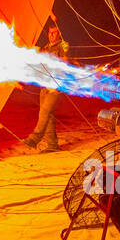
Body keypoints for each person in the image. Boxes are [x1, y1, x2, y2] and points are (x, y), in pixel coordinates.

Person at [23, 23, 69, 152]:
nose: (51, 35)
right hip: (44, 85)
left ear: (59, 33)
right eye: (50, 33)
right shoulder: (45, 48)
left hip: (55, 86)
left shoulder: (62, 46)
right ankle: (53, 145)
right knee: (47, 115)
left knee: (44, 112)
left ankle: (34, 138)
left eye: (54, 32)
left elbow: (64, 64)